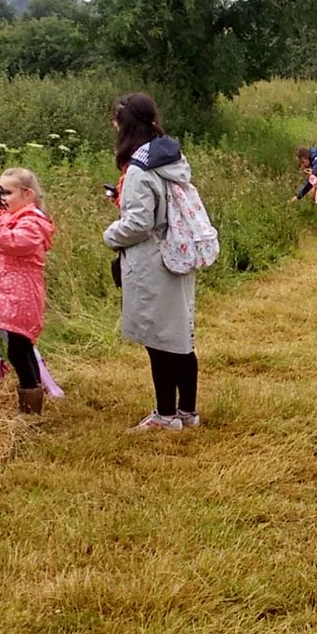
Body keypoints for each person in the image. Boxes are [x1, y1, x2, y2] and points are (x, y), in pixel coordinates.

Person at [104, 92, 200, 432]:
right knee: (181, 335)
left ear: (124, 125)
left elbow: (138, 224)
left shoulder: (138, 169)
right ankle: (188, 411)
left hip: (153, 263)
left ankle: (165, 415)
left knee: (159, 339)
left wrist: (110, 234)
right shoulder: (170, 157)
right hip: (179, 254)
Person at [0, 168, 55, 414]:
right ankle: (32, 399)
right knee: (19, 346)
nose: (1, 198)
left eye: (7, 192)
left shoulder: (33, 222)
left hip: (22, 295)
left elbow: (12, 243)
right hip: (10, 294)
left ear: (28, 194)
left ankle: (30, 404)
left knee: (19, 348)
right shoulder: (9, 218)